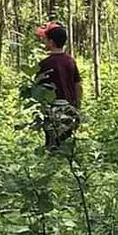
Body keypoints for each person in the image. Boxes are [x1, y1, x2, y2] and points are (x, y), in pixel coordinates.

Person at [33, 22, 82, 151]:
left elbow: (38, 88)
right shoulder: (70, 61)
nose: (44, 42)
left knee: (52, 142)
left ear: (51, 42)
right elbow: (78, 84)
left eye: (45, 39)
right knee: (66, 141)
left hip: (52, 109)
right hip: (69, 108)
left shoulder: (44, 64)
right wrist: (77, 105)